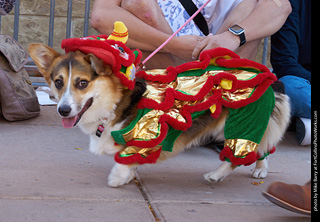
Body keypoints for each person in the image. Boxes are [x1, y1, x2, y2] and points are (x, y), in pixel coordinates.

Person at [90, 0, 291, 69]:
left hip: (222, 64)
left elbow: (279, 7)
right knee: (136, 4)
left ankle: (221, 110)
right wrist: (173, 45)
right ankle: (178, 104)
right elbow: (101, 16)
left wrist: (232, 37)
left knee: (253, 7)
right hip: (168, 65)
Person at [270, 0, 311, 146]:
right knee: (290, 89)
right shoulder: (292, 3)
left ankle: (308, 124)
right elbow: (284, 63)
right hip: (303, 82)